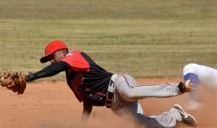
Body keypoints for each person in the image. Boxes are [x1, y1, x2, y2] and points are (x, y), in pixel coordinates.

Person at [24, 40, 197, 127]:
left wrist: (30, 77)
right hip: (115, 105)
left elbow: (59, 66)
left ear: (63, 51)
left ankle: (178, 88)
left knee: (131, 93)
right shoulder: (71, 80)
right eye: (48, 59)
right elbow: (87, 101)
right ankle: (175, 115)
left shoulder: (74, 56)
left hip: (119, 84)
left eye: (51, 57)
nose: (51, 62)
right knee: (143, 124)